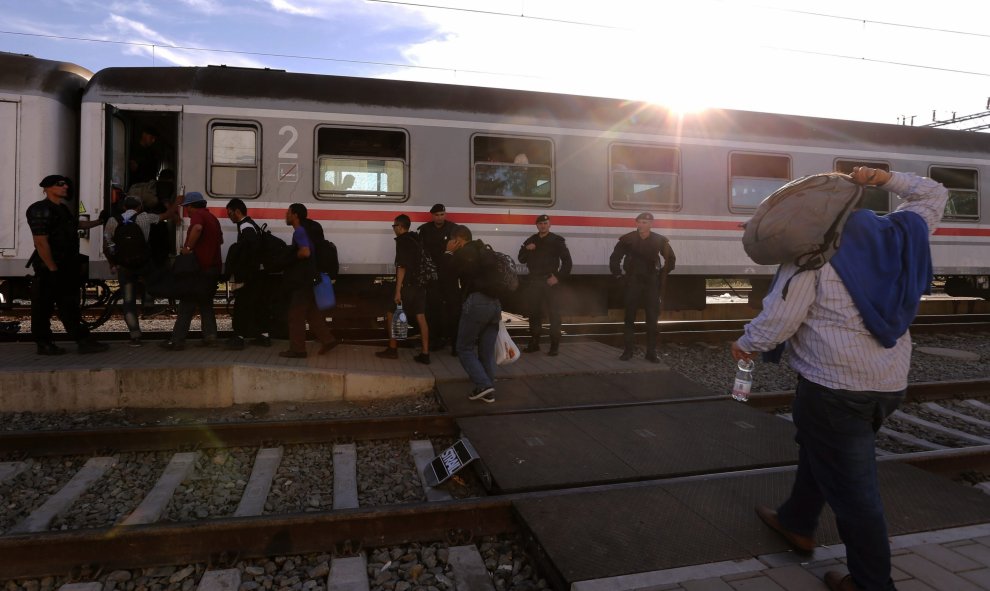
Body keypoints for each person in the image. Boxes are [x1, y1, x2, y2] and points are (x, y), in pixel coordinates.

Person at [737, 167, 948, 591]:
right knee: (823, 449)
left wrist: (746, 342)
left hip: (834, 386)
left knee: (856, 494)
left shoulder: (812, 255)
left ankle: (872, 583)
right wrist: (885, 178)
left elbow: (779, 321)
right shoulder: (900, 233)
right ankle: (797, 521)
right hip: (888, 383)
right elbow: (933, 194)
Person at [25, 175, 109, 355]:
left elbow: (76, 224)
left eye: (65, 184)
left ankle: (82, 340)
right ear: (47, 188)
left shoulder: (62, 209)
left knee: (69, 305)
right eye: (59, 185)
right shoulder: (40, 210)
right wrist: (52, 268)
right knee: (43, 306)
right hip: (50, 268)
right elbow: (41, 242)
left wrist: (99, 222)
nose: (65, 187)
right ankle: (45, 344)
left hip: (66, 266)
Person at [103, 195, 179, 346]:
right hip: (143, 263)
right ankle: (150, 304)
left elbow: (107, 246)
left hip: (124, 267)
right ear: (140, 207)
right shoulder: (145, 217)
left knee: (129, 302)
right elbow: (168, 215)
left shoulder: (113, 221)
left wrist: (113, 263)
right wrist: (177, 201)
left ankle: (135, 337)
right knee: (156, 278)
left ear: (124, 207)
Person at [608, 212, 676, 362]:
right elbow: (615, 258)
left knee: (652, 319)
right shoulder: (627, 239)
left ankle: (651, 353)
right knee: (629, 318)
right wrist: (618, 275)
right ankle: (628, 351)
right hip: (632, 282)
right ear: (636, 223)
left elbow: (670, 259)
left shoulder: (659, 240)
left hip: (651, 283)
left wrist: (661, 274)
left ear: (651, 224)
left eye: (646, 222)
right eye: (641, 222)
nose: (643, 225)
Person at [161, 191, 222, 350]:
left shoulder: (199, 216)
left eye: (187, 207)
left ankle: (177, 340)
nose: (187, 211)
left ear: (192, 206)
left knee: (187, 303)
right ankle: (210, 337)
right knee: (205, 303)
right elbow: (219, 240)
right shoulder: (213, 218)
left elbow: (198, 228)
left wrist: (188, 248)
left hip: (200, 270)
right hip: (213, 269)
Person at [446, 225, 500, 403]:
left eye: (451, 240)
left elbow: (447, 274)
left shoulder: (463, 253)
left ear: (458, 240)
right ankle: (488, 390)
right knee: (486, 351)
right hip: (495, 304)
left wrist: (448, 253)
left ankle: (484, 384)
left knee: (464, 347)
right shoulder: (484, 250)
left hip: (477, 302)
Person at [280, 203, 338, 358]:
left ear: (295, 215)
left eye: (288, 212)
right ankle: (328, 339)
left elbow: (305, 252)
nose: (286, 215)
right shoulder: (311, 228)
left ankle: (298, 350)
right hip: (314, 275)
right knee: (311, 312)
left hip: (304, 279)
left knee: (295, 314)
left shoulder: (300, 231)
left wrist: (293, 256)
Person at [375, 214, 430, 364]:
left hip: (408, 285)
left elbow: (402, 267)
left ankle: (392, 349)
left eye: (394, 226)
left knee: (391, 313)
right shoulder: (416, 239)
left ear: (399, 226)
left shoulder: (403, 241)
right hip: (420, 284)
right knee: (421, 317)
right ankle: (425, 353)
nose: (393, 229)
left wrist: (398, 290)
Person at [518, 214, 572, 356]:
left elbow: (567, 262)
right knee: (534, 313)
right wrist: (527, 249)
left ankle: (554, 346)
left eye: (545, 223)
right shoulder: (531, 240)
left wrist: (558, 277)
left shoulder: (556, 240)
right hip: (534, 281)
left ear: (549, 225)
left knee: (554, 314)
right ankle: (534, 343)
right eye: (540, 223)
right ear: (536, 225)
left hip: (550, 282)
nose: (543, 225)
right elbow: (521, 259)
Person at [223, 198, 273, 350]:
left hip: (249, 274)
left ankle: (238, 337)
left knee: (242, 305)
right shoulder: (251, 225)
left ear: (238, 211)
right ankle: (263, 336)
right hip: (256, 273)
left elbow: (251, 251)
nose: (229, 216)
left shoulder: (246, 227)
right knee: (258, 304)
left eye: (230, 213)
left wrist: (242, 273)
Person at [417, 203, 460, 354]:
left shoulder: (454, 229)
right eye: (436, 215)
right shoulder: (425, 229)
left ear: (445, 214)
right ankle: (435, 340)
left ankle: (454, 344)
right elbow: (421, 251)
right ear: (432, 215)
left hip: (449, 275)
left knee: (452, 309)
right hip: (433, 276)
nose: (439, 217)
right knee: (433, 309)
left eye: (442, 214)